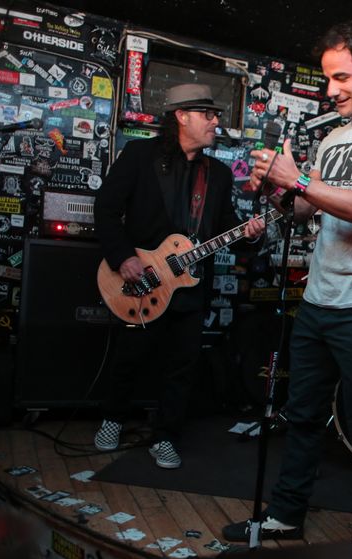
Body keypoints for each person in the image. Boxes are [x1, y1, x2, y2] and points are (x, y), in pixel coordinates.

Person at [222, 20, 352, 543]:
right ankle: (286, 515)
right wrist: (277, 187)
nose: (331, 90)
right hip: (318, 298)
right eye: (327, 79)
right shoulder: (334, 137)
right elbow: (304, 208)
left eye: (342, 77)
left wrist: (296, 179)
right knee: (302, 416)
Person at [93, 84, 265, 469]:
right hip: (139, 280)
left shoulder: (217, 174)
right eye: (207, 114)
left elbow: (227, 228)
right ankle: (112, 418)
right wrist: (123, 258)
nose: (215, 122)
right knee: (129, 357)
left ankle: (166, 436)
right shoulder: (140, 156)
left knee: (182, 366)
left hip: (189, 287)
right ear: (182, 116)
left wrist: (251, 234)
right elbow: (105, 209)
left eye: (215, 115)